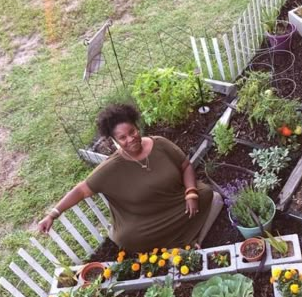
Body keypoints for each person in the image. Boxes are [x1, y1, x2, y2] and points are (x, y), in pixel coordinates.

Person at [38, 103, 223, 253]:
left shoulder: (160, 144)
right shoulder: (112, 167)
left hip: (176, 205)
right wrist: (53, 214)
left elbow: (185, 166)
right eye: (123, 138)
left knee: (205, 193)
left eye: (132, 132)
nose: (130, 139)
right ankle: (181, 244)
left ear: (137, 127)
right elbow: (81, 189)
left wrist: (191, 193)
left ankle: (184, 243)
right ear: (115, 141)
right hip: (146, 220)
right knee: (128, 238)